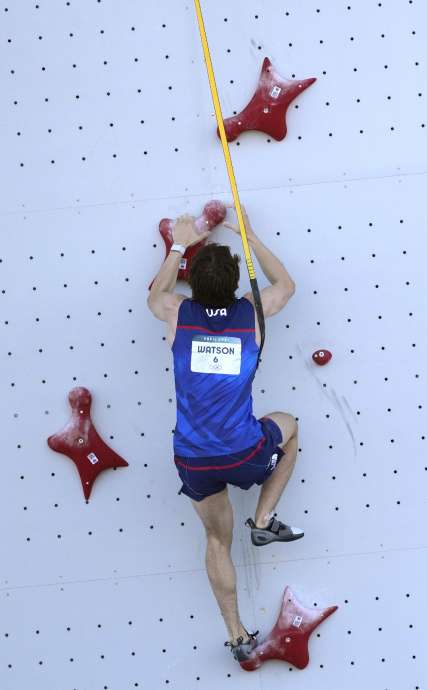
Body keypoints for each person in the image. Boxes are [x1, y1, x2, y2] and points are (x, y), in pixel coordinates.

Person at [146, 206, 304, 660]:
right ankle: (263, 518)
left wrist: (178, 243)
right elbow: (287, 286)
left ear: (190, 282)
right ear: (237, 281)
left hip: (195, 459)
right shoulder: (251, 312)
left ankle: (236, 634)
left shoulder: (177, 311)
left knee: (216, 539)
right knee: (289, 425)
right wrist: (249, 234)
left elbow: (153, 296)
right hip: (243, 450)